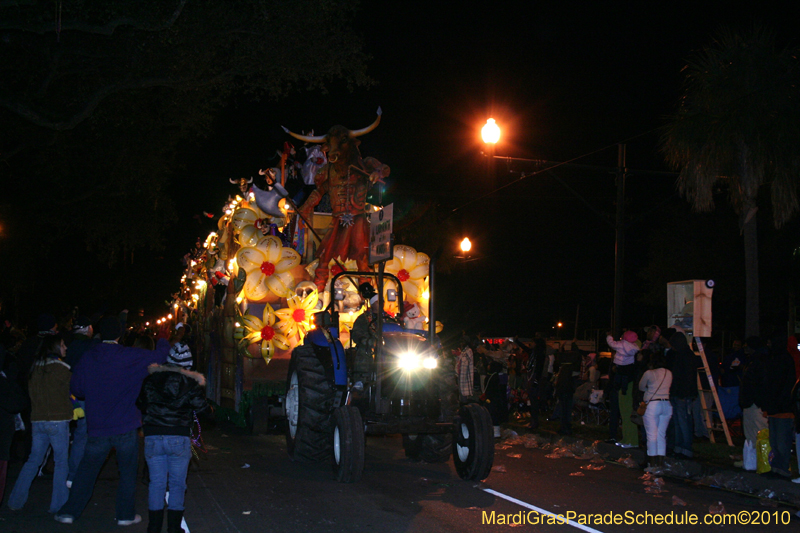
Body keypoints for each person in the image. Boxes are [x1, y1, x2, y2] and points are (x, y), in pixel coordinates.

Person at [55, 316, 169, 525]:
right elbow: (160, 355)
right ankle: (125, 515)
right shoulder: (130, 356)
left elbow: (77, 389)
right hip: (126, 425)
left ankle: (69, 512)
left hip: (98, 426)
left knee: (87, 471)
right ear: (120, 333)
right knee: (127, 473)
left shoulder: (89, 357)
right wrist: (163, 335)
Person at [137, 348, 209, 533]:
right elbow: (203, 409)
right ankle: (174, 528)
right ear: (187, 365)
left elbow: (140, 403)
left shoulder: (150, 380)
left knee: (156, 483)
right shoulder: (190, 383)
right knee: (177, 484)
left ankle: (153, 528)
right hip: (178, 436)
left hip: (153, 435)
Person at [7, 335, 72, 513]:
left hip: (37, 420)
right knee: (61, 462)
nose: (65, 347)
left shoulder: (34, 369)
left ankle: (15, 500)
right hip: (58, 420)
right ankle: (58, 504)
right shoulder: (61, 369)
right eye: (63, 344)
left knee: (33, 460)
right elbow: (71, 393)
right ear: (55, 348)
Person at [755, 333, 796, 478]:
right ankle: (776, 468)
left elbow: (783, 385)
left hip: (782, 407)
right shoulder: (775, 359)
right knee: (775, 440)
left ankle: (782, 469)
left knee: (781, 441)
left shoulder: (784, 359)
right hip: (775, 406)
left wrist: (775, 401)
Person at [65, 316, 96, 488]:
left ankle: (72, 474)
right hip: (85, 394)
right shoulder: (90, 347)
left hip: (72, 393)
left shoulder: (69, 346)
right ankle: (77, 474)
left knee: (80, 433)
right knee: (85, 433)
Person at [666, 330, 699, 459]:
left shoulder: (685, 355)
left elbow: (687, 377)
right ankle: (680, 447)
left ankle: (685, 447)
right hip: (678, 392)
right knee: (679, 421)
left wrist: (683, 393)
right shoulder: (681, 354)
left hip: (682, 393)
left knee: (683, 420)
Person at [639, 352, 673, 472]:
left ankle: (652, 465)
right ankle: (660, 464)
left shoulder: (649, 373)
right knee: (661, 435)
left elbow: (641, 387)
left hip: (653, 404)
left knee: (651, 435)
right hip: (666, 404)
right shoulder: (668, 373)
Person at [605, 330, 640, 447]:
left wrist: (609, 336)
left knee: (626, 414)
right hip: (626, 383)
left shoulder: (622, 352)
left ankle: (631, 440)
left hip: (625, 384)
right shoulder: (635, 351)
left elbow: (612, 344)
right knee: (626, 414)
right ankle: (627, 439)